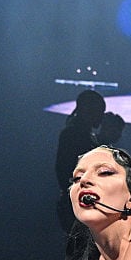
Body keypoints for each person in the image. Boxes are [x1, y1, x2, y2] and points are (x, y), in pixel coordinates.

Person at [54, 90, 106, 234]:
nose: (102, 117)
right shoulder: (74, 135)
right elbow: (64, 170)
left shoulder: (84, 135)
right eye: (100, 111)